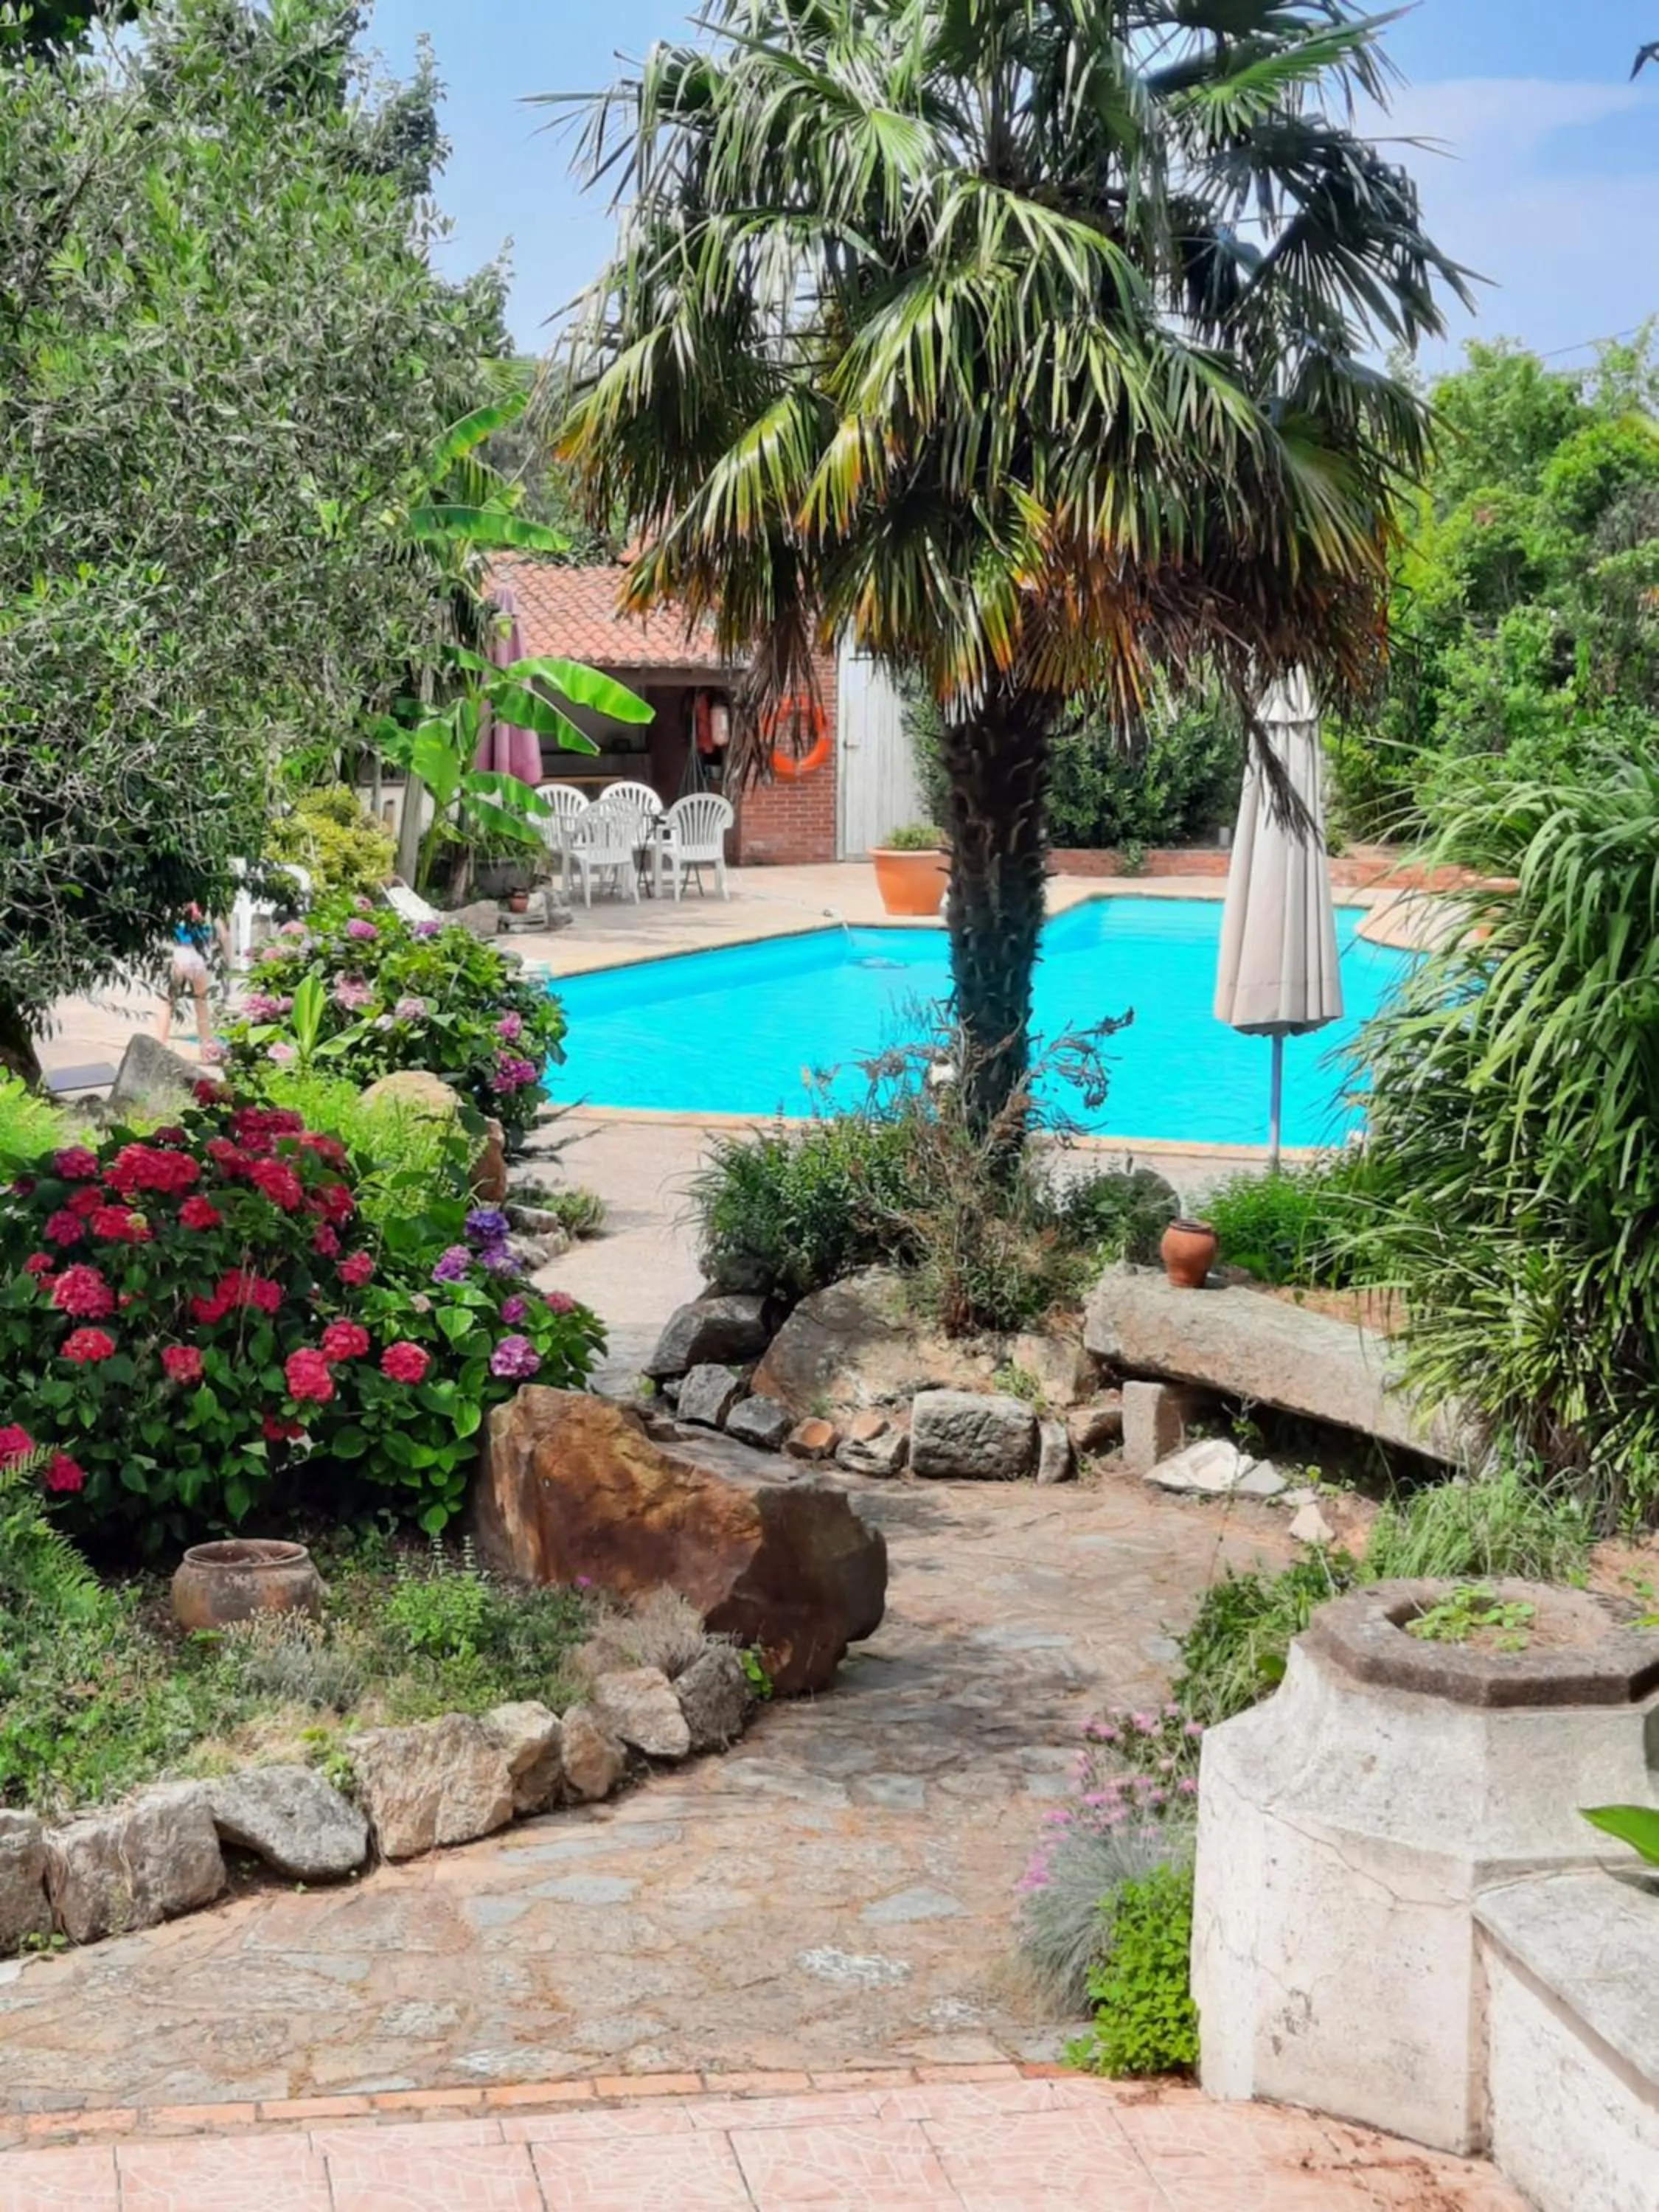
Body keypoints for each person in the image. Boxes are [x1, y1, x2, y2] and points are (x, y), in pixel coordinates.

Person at [157, 903, 230, 1050]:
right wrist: (227, 958)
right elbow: (224, 936)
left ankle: (160, 1043)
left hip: (180, 956)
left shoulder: (178, 908)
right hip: (200, 958)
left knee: (168, 1003)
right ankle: (207, 1048)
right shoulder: (209, 910)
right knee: (201, 1005)